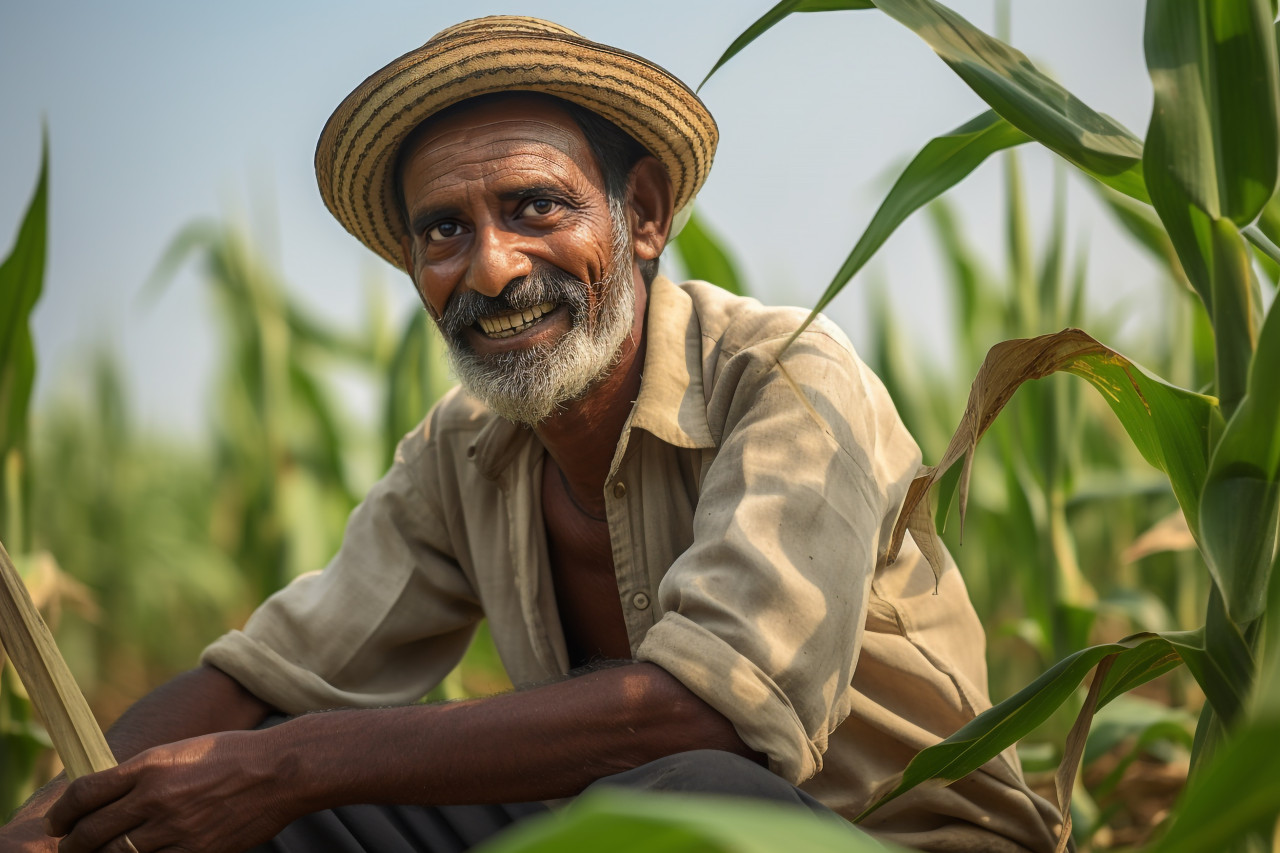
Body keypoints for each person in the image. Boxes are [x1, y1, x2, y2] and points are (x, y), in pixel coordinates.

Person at [2, 16, 1063, 853]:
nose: (493, 267)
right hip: (631, 822)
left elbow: (710, 719)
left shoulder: (783, 378)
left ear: (641, 215)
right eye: (444, 231)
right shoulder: (462, 456)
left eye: (537, 207)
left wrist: (296, 764)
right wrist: (60, 815)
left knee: (670, 797)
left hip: (883, 840)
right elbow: (266, 680)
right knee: (257, 797)